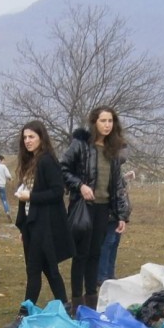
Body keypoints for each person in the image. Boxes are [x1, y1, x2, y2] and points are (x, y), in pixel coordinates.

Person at [3, 121, 73, 328]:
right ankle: (66, 308)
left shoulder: (47, 161)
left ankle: (24, 314)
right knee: (47, 269)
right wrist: (24, 228)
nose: (27, 141)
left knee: (36, 269)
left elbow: (56, 192)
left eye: (31, 137)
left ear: (41, 137)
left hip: (45, 226)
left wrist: (31, 196)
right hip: (32, 225)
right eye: (25, 138)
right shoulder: (30, 161)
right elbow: (25, 196)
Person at [60, 107, 131, 310]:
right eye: (103, 121)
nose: (107, 125)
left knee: (95, 255)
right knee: (80, 256)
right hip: (83, 208)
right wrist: (80, 186)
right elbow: (62, 168)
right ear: (94, 122)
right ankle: (76, 302)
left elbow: (117, 184)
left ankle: (91, 302)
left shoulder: (113, 148)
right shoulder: (80, 144)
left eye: (110, 121)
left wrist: (121, 215)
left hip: (104, 210)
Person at [97, 145, 135, 284]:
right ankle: (102, 276)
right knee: (108, 243)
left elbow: (117, 184)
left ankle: (110, 273)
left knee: (113, 244)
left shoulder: (115, 168)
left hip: (119, 214)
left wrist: (125, 177)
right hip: (111, 213)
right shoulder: (107, 164)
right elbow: (111, 187)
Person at [0, 155, 13, 221]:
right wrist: (10, 179)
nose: (4, 162)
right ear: (0, 160)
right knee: (4, 200)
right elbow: (8, 175)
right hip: (2, 185)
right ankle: (7, 212)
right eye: (3, 160)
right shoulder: (3, 167)